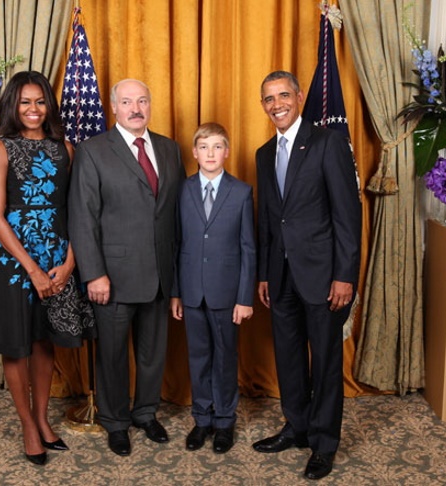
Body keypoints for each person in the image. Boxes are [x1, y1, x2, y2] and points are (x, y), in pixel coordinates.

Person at [0, 71, 91, 465]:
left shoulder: (65, 149)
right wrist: (33, 270)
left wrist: (69, 263)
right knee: (16, 344)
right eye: (25, 102)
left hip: (56, 257)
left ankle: (41, 418)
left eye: (39, 101)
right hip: (13, 261)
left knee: (44, 340)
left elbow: (77, 210)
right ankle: (26, 424)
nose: (33, 109)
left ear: (49, 106)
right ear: (13, 106)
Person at [68, 78, 186, 457]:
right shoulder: (93, 151)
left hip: (161, 275)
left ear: (150, 105)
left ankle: (146, 412)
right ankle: (115, 421)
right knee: (113, 355)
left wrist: (179, 279)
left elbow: (177, 215)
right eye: (127, 102)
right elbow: (82, 217)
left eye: (142, 101)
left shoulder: (169, 149)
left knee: (153, 354)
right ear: (114, 108)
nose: (136, 109)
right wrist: (93, 273)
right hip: (113, 277)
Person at [252, 71, 361, 481]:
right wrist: (264, 273)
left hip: (324, 275)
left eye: (283, 95)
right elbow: (269, 219)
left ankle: (324, 443)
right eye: (269, 98)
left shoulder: (328, 142)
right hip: (280, 275)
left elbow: (347, 214)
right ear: (263, 105)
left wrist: (344, 275)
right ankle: (296, 427)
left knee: (327, 362)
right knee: (289, 357)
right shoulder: (264, 153)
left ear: (299, 97)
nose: (276, 104)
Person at [170, 122, 255, 454]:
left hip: (227, 293)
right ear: (194, 152)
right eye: (204, 147)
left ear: (227, 152)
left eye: (217, 147)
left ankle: (224, 421)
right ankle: (202, 419)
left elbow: (248, 248)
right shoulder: (182, 190)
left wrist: (244, 298)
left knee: (224, 358)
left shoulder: (241, 192)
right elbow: (177, 243)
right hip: (192, 291)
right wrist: (176, 292)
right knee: (198, 357)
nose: (210, 153)